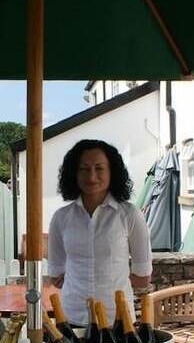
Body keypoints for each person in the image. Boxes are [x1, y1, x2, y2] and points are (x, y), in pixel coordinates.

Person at [48, 139, 152, 327]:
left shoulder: (129, 215)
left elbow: (143, 277)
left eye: (99, 168)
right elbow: (56, 277)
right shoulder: (61, 218)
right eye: (84, 169)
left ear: (112, 171)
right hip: (72, 317)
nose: (92, 176)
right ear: (74, 173)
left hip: (119, 319)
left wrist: (112, 280)